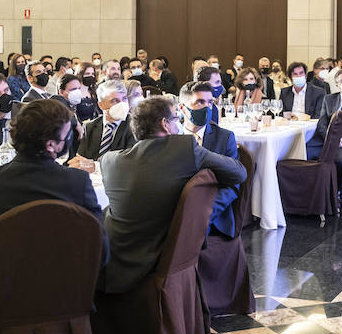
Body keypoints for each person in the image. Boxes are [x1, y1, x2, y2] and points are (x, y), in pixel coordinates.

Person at [100, 95, 245, 294]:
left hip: (110, 260)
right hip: (162, 258)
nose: (179, 125)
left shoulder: (108, 161)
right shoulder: (185, 148)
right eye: (176, 119)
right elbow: (239, 173)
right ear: (165, 124)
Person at [0, 99, 105, 241]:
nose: (68, 140)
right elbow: (99, 247)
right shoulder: (78, 181)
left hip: (5, 261)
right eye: (66, 136)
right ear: (50, 145)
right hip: (64, 261)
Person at [178, 81, 240, 237]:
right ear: (182, 108)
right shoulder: (172, 136)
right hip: (174, 206)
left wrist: (204, 210)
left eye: (210, 102)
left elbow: (232, 186)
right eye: (200, 102)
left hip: (211, 211)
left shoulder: (224, 137)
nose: (207, 107)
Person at [69, 80, 135, 167]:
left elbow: (129, 161)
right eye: (115, 100)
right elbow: (80, 158)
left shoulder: (134, 125)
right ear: (101, 105)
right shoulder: (90, 127)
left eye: (124, 99)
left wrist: (95, 166)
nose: (122, 104)